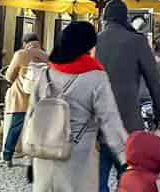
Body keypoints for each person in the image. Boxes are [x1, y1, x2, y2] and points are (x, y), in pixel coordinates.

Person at [26, 21, 127, 192]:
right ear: (87, 46)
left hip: (44, 155)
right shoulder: (96, 77)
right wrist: (125, 159)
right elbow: (110, 121)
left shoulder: (46, 73)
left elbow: (31, 119)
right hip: (78, 157)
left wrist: (30, 159)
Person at [96, 0, 160, 192]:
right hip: (128, 126)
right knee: (129, 180)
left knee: (96, 181)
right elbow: (155, 81)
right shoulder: (137, 41)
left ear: (105, 19)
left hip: (96, 124)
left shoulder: (94, 42)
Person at [2, 31, 48, 166]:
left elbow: (10, 76)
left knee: (15, 127)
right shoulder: (47, 56)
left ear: (25, 43)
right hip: (40, 99)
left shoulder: (21, 54)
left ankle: (7, 157)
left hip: (21, 98)